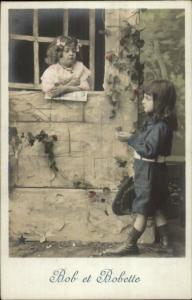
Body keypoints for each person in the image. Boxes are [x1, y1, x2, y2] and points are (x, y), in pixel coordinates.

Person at [102, 79, 178, 256]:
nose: (142, 101)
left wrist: (130, 138)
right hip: (152, 171)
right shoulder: (155, 123)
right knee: (157, 207)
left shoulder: (160, 126)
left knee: (142, 210)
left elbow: (149, 150)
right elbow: (148, 144)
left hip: (150, 173)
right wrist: (133, 136)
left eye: (147, 98)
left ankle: (130, 244)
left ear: (159, 103)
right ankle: (168, 244)